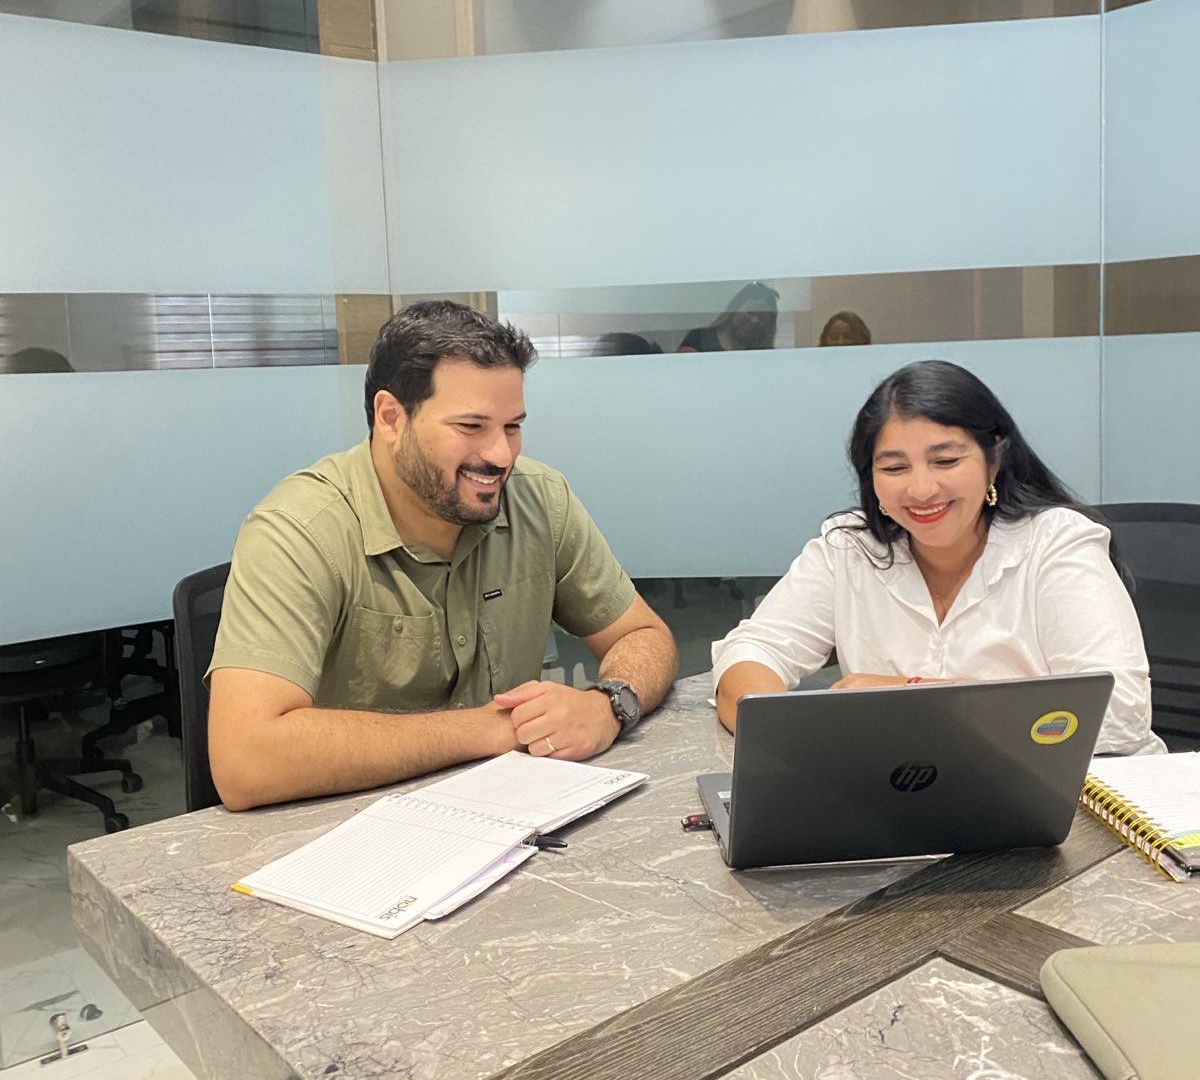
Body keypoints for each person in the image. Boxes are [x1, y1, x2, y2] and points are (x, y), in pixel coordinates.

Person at [208, 300, 678, 810]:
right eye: (471, 427)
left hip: (512, 813)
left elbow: (643, 635)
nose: (501, 455)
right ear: (392, 418)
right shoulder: (299, 530)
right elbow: (245, 760)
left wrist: (608, 704)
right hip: (344, 829)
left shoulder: (540, 498)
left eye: (513, 426)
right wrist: (490, 729)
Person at [713, 359, 1160, 756]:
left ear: (993, 461)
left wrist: (906, 696)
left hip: (1078, 799)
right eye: (894, 467)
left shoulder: (1057, 543)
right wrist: (792, 737)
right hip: (906, 791)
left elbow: (1119, 713)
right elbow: (755, 649)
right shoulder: (849, 547)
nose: (922, 489)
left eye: (945, 461)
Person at [679, 282, 779, 353]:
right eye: (750, 312)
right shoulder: (699, 338)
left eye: (762, 317)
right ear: (733, 310)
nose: (754, 321)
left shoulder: (764, 352)